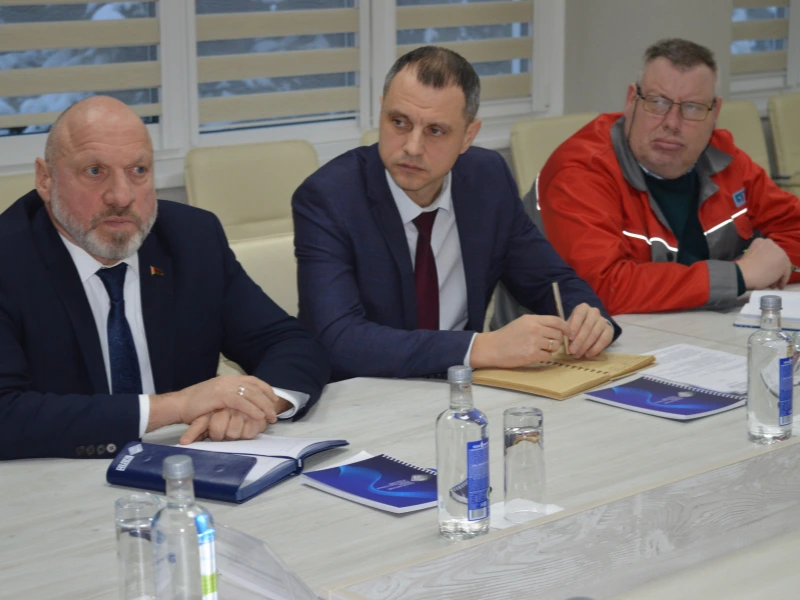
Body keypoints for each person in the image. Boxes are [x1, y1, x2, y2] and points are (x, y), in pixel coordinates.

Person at [0, 96, 330, 460]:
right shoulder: (9, 259)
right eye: (95, 171)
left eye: (138, 170)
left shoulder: (192, 238)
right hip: (52, 478)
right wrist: (176, 407)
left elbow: (286, 342)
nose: (121, 196)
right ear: (45, 179)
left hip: (186, 465)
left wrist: (253, 405)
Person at [292, 46, 619, 381]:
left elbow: (548, 280)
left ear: (468, 136)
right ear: (381, 112)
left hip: (465, 389)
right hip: (366, 392)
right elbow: (338, 340)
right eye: (399, 122)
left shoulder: (487, 179)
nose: (412, 147)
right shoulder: (329, 197)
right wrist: (480, 348)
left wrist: (589, 318)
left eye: (436, 131)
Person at [531, 38, 800, 316]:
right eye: (657, 102)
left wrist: (772, 266)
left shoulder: (725, 160)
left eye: (693, 107)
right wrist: (738, 275)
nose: (672, 123)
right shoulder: (581, 171)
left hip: (694, 328)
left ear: (715, 113)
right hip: (565, 336)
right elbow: (599, 289)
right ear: (631, 100)